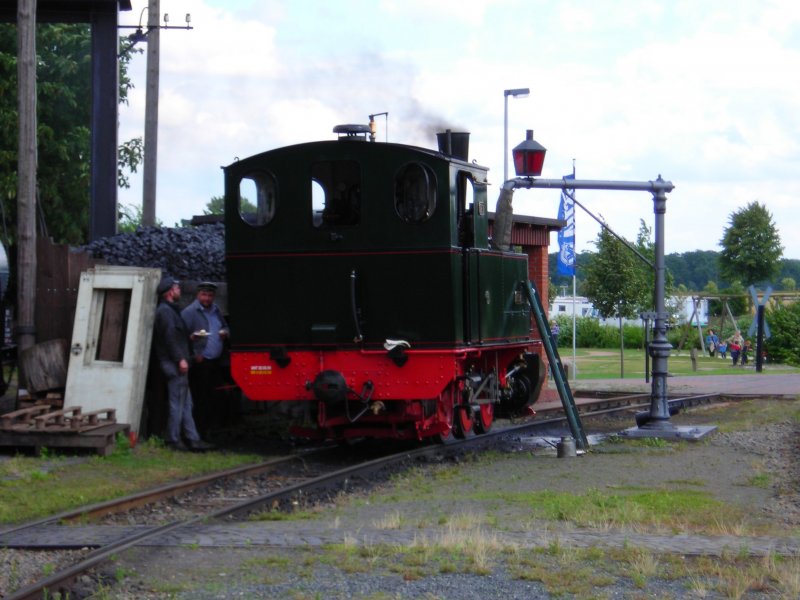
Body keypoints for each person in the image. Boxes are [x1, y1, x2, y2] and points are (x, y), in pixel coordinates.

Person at [153, 276, 214, 452]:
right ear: (171, 291)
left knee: (186, 403)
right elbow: (170, 338)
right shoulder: (165, 312)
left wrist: (190, 338)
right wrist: (180, 359)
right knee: (177, 403)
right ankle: (173, 439)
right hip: (174, 363)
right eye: (178, 288)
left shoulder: (170, 310)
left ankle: (192, 438)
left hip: (177, 361)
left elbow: (176, 337)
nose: (180, 291)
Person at [181, 281, 230, 436]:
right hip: (200, 362)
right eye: (204, 295)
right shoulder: (190, 312)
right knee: (200, 397)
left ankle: (211, 429)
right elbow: (181, 338)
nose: (207, 298)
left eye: (210, 295)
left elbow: (226, 327)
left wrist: (224, 332)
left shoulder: (216, 311)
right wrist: (194, 354)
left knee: (214, 396)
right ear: (198, 295)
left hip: (215, 361)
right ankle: (198, 431)